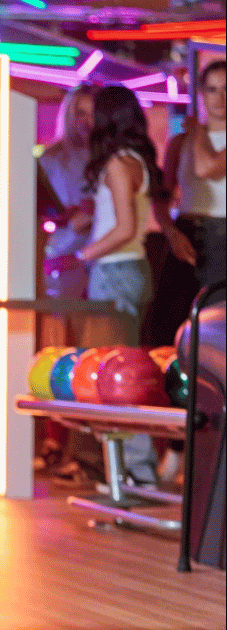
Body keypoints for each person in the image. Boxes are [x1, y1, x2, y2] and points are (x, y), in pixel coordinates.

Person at [75, 85, 170, 487]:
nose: (87, 121)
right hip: (134, 270)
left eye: (91, 112)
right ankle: (134, 470)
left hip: (114, 272)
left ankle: (135, 472)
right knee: (124, 375)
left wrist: (84, 254)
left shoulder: (116, 163)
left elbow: (124, 228)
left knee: (114, 379)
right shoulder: (139, 161)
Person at [154, 59, 226, 483]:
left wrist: (196, 130)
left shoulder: (193, 138)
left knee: (211, 341)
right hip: (185, 233)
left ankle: (200, 450)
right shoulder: (181, 141)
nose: (220, 98)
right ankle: (177, 442)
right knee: (167, 336)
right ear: (200, 94)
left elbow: (207, 169)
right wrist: (168, 230)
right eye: (212, 89)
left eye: (226, 89)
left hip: (222, 238)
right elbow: (161, 196)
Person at [35, 83, 97, 480]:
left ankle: (84, 448)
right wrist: (65, 219)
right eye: (80, 113)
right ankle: (54, 440)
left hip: (99, 261)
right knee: (58, 352)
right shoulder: (50, 158)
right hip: (61, 258)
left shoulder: (108, 158)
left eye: (93, 113)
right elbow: (38, 211)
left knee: (90, 355)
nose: (86, 122)